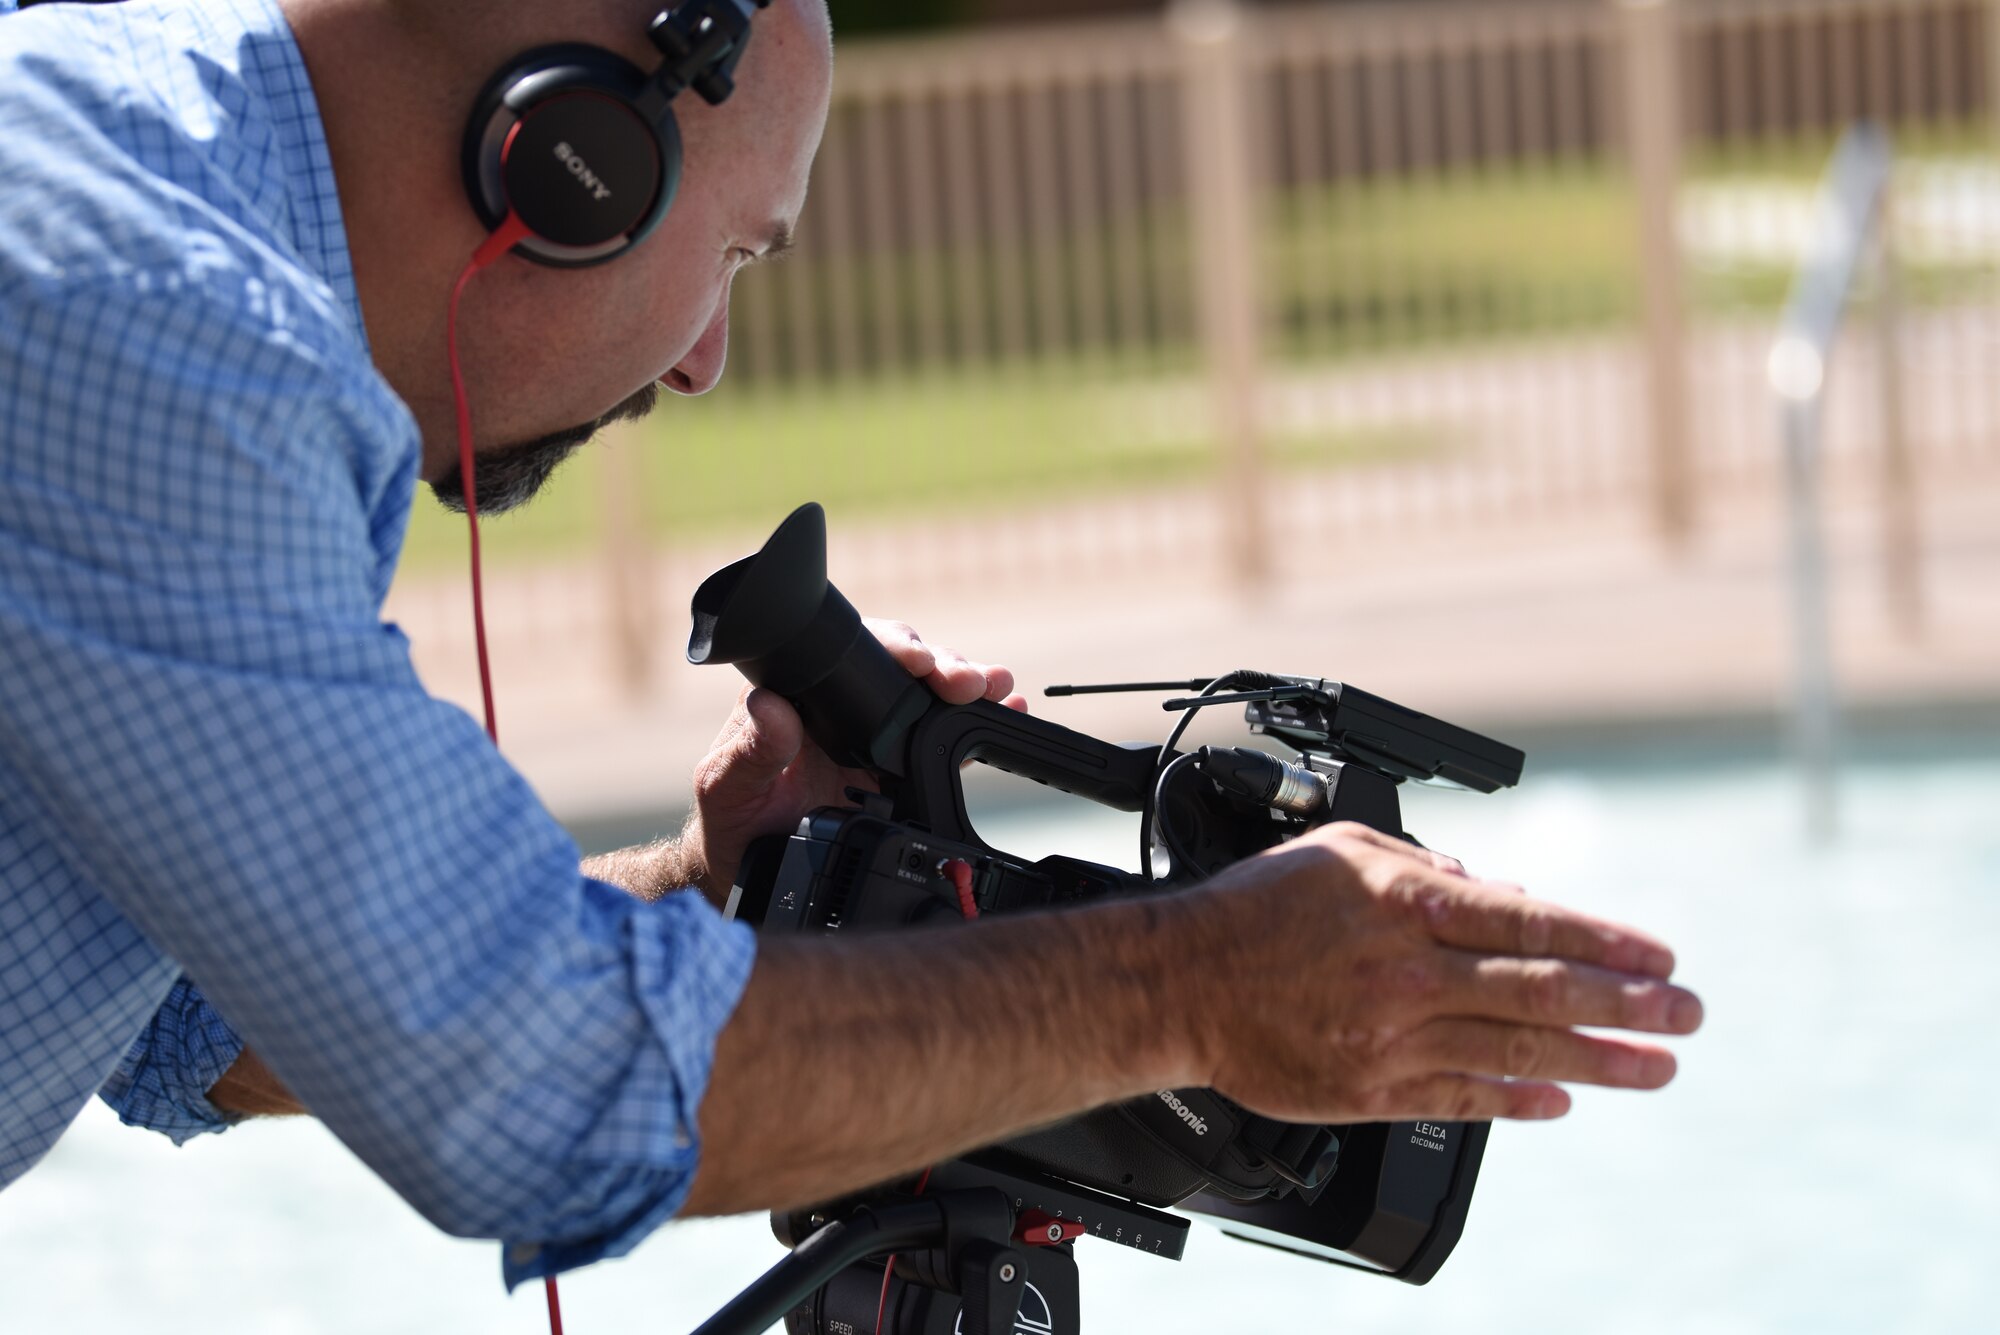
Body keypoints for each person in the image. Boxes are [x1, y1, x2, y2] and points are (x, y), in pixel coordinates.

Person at [0, 0, 1703, 1291]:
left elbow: (183, 1010)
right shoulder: (160, 318)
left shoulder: (134, 190)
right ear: (575, 154)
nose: (705, 361)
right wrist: (1197, 987)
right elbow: (509, 1084)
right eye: (735, 250)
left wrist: (704, 879)